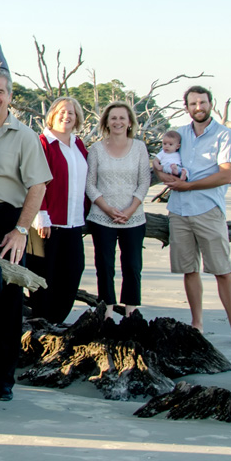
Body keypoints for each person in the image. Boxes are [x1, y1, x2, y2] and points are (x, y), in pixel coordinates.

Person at [0, 67, 51, 401]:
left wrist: (20, 230)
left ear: (10, 96)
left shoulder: (24, 135)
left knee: (8, 302)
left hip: (8, 222)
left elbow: (38, 185)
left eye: (0, 91)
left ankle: (2, 381)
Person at [155, 86, 231, 348]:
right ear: (186, 107)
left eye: (202, 102)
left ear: (211, 104)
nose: (198, 107)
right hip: (178, 211)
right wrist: (164, 176)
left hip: (208, 210)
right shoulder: (179, 135)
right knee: (189, 270)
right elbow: (159, 160)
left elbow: (225, 175)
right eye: (193, 103)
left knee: (222, 271)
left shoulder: (225, 135)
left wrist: (189, 186)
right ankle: (196, 324)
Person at [85, 101, 151, 320]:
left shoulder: (140, 148)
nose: (118, 122)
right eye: (113, 118)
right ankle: (107, 311)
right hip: (102, 217)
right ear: (106, 122)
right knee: (104, 265)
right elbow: (90, 184)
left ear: (130, 122)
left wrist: (130, 210)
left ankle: (131, 311)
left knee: (132, 264)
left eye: (122, 118)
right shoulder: (96, 149)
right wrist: (107, 208)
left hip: (133, 217)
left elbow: (144, 182)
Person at [28, 97, 89, 325]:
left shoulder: (78, 144)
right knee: (45, 275)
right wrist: (41, 214)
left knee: (73, 271)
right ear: (52, 115)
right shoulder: (43, 143)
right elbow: (35, 181)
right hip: (47, 223)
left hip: (73, 222)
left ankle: (56, 320)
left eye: (71, 113)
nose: (67, 116)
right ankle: (42, 323)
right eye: (62, 112)